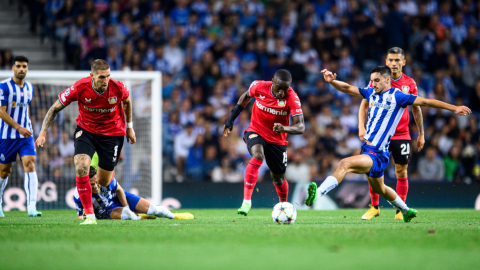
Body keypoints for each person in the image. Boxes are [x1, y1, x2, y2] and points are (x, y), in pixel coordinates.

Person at [304, 67, 470, 223]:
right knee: (381, 188)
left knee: (344, 163)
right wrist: (332, 81)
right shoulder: (371, 93)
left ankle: (318, 194)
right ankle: (405, 211)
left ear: (387, 80)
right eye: (372, 80)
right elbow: (348, 88)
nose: (373, 84)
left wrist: (454, 108)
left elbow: (425, 102)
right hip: (368, 149)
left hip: (377, 153)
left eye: (376, 80)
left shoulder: (397, 96)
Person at [35, 59, 136, 225]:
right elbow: (54, 108)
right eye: (102, 77)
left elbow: (127, 102)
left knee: (103, 181)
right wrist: (43, 132)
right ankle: (90, 216)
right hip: (86, 131)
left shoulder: (118, 87)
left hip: (112, 134)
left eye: (108, 76)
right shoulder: (80, 87)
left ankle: (116, 203)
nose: (106, 81)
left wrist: (130, 127)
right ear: (92, 76)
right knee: (81, 167)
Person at [223, 69, 304, 216]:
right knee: (258, 155)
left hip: (277, 140)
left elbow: (301, 126)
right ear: (273, 81)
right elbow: (246, 97)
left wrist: (284, 128)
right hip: (256, 131)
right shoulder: (259, 86)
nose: (281, 92)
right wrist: (231, 119)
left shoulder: (292, 97)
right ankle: (246, 201)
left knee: (278, 179)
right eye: (279, 88)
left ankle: (283, 205)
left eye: (285, 89)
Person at [358, 47, 425, 221]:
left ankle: (399, 210)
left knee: (401, 171)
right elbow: (364, 104)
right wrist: (361, 126)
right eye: (390, 60)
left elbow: (416, 109)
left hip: (401, 134)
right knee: (371, 169)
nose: (394, 63)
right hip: (378, 136)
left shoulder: (409, 83)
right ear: (386, 62)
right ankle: (374, 207)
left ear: (404, 62)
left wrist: (421, 134)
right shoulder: (377, 80)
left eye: (397, 60)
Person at [75, 153, 194, 220]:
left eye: (97, 183)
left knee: (153, 209)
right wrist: (87, 216)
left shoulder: (104, 178)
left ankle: (174, 216)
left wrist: (126, 207)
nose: (96, 186)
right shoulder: (79, 194)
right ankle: (139, 217)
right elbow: (81, 216)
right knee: (129, 216)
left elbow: (119, 190)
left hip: (118, 198)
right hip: (106, 211)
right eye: (92, 185)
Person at [0, 56, 41, 217]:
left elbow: (26, 111)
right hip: (6, 136)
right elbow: (1, 111)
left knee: (30, 165)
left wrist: (27, 127)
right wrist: (18, 127)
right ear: (13, 68)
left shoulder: (30, 87)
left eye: (24, 66)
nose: (21, 69)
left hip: (25, 136)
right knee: (4, 171)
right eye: (18, 66)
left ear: (27, 68)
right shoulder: (4, 86)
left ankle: (31, 207)